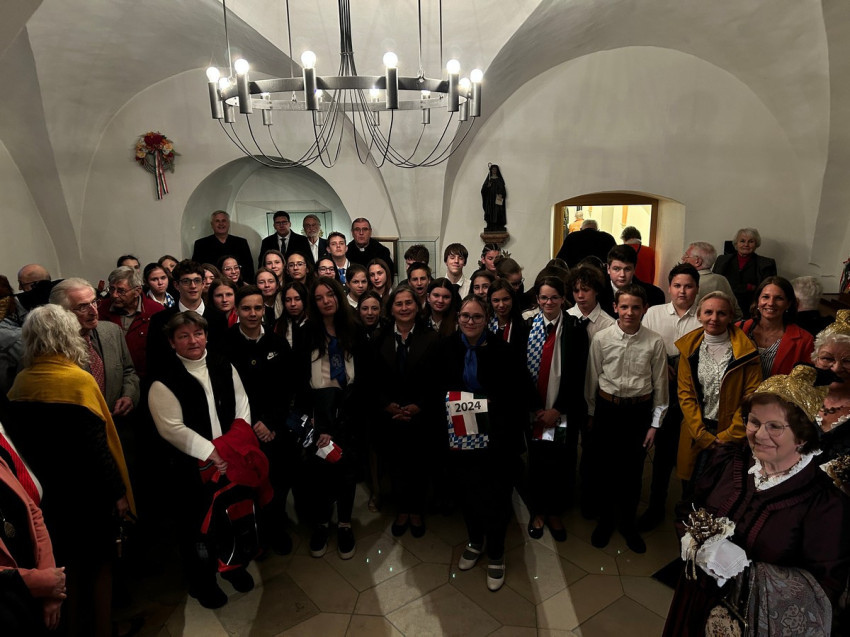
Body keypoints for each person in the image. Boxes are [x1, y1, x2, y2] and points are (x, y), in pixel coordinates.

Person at [663, 365, 850, 636]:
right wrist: (692, 541)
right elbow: (686, 511)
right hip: (694, 602)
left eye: (775, 426)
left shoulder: (825, 505)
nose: (759, 435)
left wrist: (749, 573)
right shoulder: (729, 461)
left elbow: (823, 593)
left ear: (802, 436)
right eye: (754, 422)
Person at [7, 304, 133, 637]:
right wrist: (119, 493)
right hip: (89, 493)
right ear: (67, 335)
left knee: (67, 569)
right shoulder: (78, 381)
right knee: (101, 566)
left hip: (48, 494)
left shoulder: (21, 382)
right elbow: (98, 449)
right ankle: (104, 630)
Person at [147, 311, 256, 609]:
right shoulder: (162, 379)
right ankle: (203, 582)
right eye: (183, 336)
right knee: (197, 528)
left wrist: (235, 444)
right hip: (191, 468)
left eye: (197, 334)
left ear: (206, 336)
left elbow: (242, 405)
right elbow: (171, 428)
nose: (192, 340)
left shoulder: (223, 364)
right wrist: (212, 452)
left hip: (230, 458)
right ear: (172, 342)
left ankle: (233, 566)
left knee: (231, 517)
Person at [433, 295, 533, 591]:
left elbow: (519, 393)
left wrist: (490, 404)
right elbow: (435, 388)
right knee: (466, 492)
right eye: (465, 316)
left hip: (496, 438)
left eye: (477, 316)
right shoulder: (446, 347)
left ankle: (497, 553)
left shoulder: (504, 350)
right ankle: (475, 541)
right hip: (459, 435)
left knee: (496, 496)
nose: (470, 321)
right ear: (458, 318)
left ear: (487, 319)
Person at [584, 284, 668, 553]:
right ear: (615, 308)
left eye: (635, 307)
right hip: (608, 410)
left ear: (644, 309)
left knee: (633, 471)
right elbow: (592, 378)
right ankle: (606, 521)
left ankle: (628, 524)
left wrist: (655, 424)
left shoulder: (654, 341)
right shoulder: (602, 338)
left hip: (638, 412)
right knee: (605, 468)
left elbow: (661, 385)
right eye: (624, 307)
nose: (629, 312)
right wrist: (591, 414)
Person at [222, 286, 296, 556]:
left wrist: (271, 422)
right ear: (237, 310)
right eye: (246, 308)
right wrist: (251, 424)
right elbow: (224, 392)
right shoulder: (224, 344)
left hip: (274, 428)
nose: (252, 313)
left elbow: (287, 388)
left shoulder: (278, 343)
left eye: (257, 308)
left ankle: (276, 528)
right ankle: (255, 536)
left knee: (277, 480)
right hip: (241, 429)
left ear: (264, 309)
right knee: (247, 484)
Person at [301, 278, 363, 560]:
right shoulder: (307, 333)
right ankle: (322, 523)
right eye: (319, 297)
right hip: (320, 412)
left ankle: (345, 523)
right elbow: (300, 378)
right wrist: (316, 419)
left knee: (347, 470)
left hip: (349, 408)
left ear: (339, 296)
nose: (326, 301)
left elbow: (364, 373)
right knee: (321, 472)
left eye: (330, 295)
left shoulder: (354, 329)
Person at [674, 291, 762, 488]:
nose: (714, 318)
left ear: (731, 317)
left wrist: (730, 434)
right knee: (690, 490)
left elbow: (752, 397)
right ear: (699, 316)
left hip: (731, 433)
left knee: (721, 491)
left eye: (721, 313)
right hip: (696, 431)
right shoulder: (689, 349)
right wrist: (700, 433)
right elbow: (685, 394)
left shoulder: (747, 352)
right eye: (708, 312)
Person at [524, 277, 589, 542]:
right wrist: (537, 408)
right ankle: (538, 511)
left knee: (561, 461)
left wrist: (557, 409)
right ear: (537, 300)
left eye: (554, 297)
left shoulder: (575, 329)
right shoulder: (528, 327)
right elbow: (521, 372)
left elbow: (579, 374)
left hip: (563, 411)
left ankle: (555, 511)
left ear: (563, 299)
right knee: (537, 461)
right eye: (543, 297)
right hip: (535, 410)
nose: (548, 302)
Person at [371, 286, 439, 539]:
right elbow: (371, 378)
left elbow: (438, 379)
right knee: (396, 465)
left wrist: (419, 405)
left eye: (408, 303)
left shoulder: (431, 338)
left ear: (417, 306)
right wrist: (386, 404)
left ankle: (416, 510)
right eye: (398, 304)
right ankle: (402, 510)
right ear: (391, 309)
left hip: (420, 414)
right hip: (390, 414)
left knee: (418, 466)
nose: (404, 308)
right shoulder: (379, 337)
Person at [638, 264, 702, 528]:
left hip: (693, 393)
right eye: (677, 286)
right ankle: (655, 507)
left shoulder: (704, 316)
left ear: (696, 289)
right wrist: (661, 364)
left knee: (689, 451)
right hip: (660, 388)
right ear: (669, 287)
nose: (682, 291)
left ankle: (688, 510)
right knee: (662, 453)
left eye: (688, 286)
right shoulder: (654, 313)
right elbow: (642, 343)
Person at [50, 278, 140, 419]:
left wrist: (129, 395)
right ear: (61, 313)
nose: (94, 311)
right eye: (83, 307)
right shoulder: (52, 347)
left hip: (118, 422)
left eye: (94, 302)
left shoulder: (113, 331)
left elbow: (128, 371)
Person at [0, 454, 65, 635]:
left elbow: (34, 512)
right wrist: (40, 582)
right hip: (9, 607)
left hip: (39, 590)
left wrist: (50, 584)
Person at [146, 260, 229, 373]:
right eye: (186, 281)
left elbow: (223, 358)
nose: (193, 286)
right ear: (176, 285)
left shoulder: (218, 318)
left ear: (203, 283)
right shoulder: (160, 320)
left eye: (197, 281)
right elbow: (154, 361)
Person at [739, 276, 814, 378]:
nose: (771, 303)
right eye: (766, 297)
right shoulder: (738, 329)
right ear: (758, 301)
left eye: (779, 298)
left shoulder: (805, 340)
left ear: (788, 304)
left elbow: (806, 381)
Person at [98, 266, 165, 380]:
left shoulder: (156, 311)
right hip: (110, 378)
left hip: (145, 379)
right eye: (112, 289)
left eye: (121, 291)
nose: (114, 295)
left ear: (137, 291)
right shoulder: (100, 309)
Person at [712, 227, 777, 320]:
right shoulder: (722, 260)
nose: (746, 245)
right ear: (736, 243)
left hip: (752, 308)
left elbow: (768, 290)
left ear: (756, 244)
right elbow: (716, 284)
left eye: (751, 241)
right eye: (742, 241)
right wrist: (748, 287)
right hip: (724, 305)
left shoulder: (766, 264)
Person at [813, 310, 850, 461]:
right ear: (815, 360)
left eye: (848, 361)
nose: (836, 368)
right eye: (827, 358)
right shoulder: (795, 398)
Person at [681, 241, 742, 320]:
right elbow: (737, 313)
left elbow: (682, 314)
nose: (683, 258)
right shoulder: (722, 279)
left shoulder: (690, 282)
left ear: (697, 261)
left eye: (686, 256)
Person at [600, 244, 665, 317]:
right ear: (608, 269)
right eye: (616, 269)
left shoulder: (654, 294)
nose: (622, 275)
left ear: (634, 269)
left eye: (627, 269)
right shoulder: (597, 293)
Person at [191, 211, 255, 281]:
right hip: (211, 284)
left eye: (223, 221)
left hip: (238, 283)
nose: (221, 224)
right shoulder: (201, 244)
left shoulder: (241, 243)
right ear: (212, 224)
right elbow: (197, 269)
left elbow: (249, 268)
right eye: (217, 221)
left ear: (228, 223)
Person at [565, 265, 615, 341]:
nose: (580, 295)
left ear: (596, 290)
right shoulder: (564, 319)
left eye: (585, 290)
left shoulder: (609, 325)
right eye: (576, 291)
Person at [276, 281, 309, 350]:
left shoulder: (314, 323)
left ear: (304, 300)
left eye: (297, 299)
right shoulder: (278, 325)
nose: (293, 304)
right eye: (288, 300)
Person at [481, 164, 507, 231]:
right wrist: (487, 187)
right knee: (489, 211)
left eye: (495, 169)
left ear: (497, 170)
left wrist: (501, 193)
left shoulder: (500, 180)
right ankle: (490, 225)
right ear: (491, 170)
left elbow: (503, 190)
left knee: (498, 211)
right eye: (493, 169)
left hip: (497, 198)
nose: (494, 170)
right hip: (490, 200)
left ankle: (498, 225)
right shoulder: (489, 180)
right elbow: (483, 190)